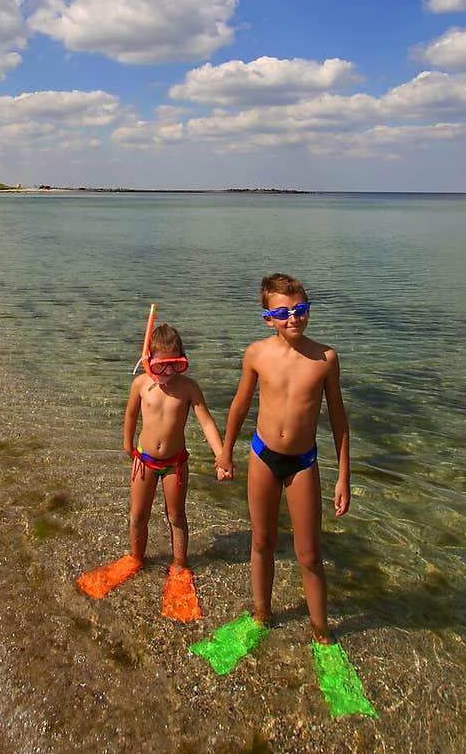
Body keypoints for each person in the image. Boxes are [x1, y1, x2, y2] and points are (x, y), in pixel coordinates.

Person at [217, 273, 350, 642]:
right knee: (262, 543)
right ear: (268, 318)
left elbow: (339, 418)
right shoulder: (257, 354)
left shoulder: (325, 359)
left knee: (309, 555)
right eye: (283, 312)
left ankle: (321, 633)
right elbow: (240, 405)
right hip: (262, 456)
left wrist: (343, 475)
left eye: (301, 309)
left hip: (303, 462)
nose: (293, 318)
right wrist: (226, 452)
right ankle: (261, 615)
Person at [123, 322, 228, 573]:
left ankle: (180, 564)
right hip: (144, 461)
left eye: (176, 364)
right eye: (162, 366)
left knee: (177, 516)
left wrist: (221, 455)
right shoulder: (140, 385)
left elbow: (205, 421)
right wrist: (128, 444)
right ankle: (136, 558)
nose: (169, 371)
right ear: (148, 360)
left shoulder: (188, 387)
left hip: (175, 464)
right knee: (138, 516)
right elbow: (130, 416)